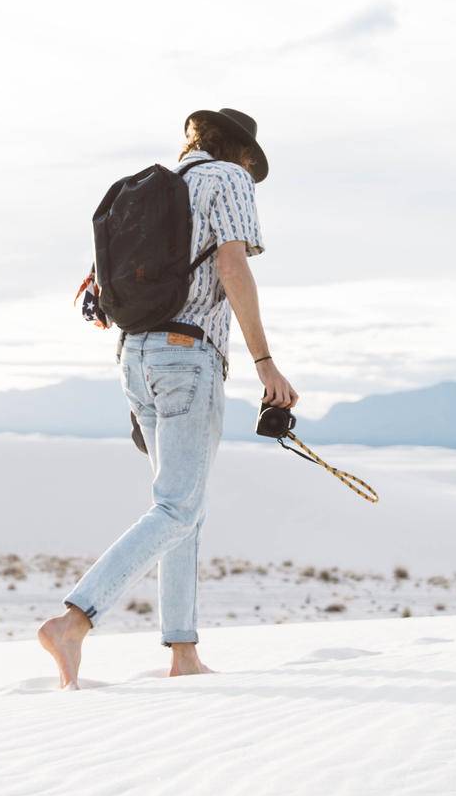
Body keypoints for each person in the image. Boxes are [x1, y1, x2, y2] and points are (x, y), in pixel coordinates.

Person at [37, 107, 299, 690]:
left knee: (183, 509)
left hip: (135, 358)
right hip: (189, 353)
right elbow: (232, 266)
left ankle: (183, 654)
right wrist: (264, 362)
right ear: (239, 153)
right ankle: (74, 620)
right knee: (178, 507)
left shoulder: (153, 191)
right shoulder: (225, 179)